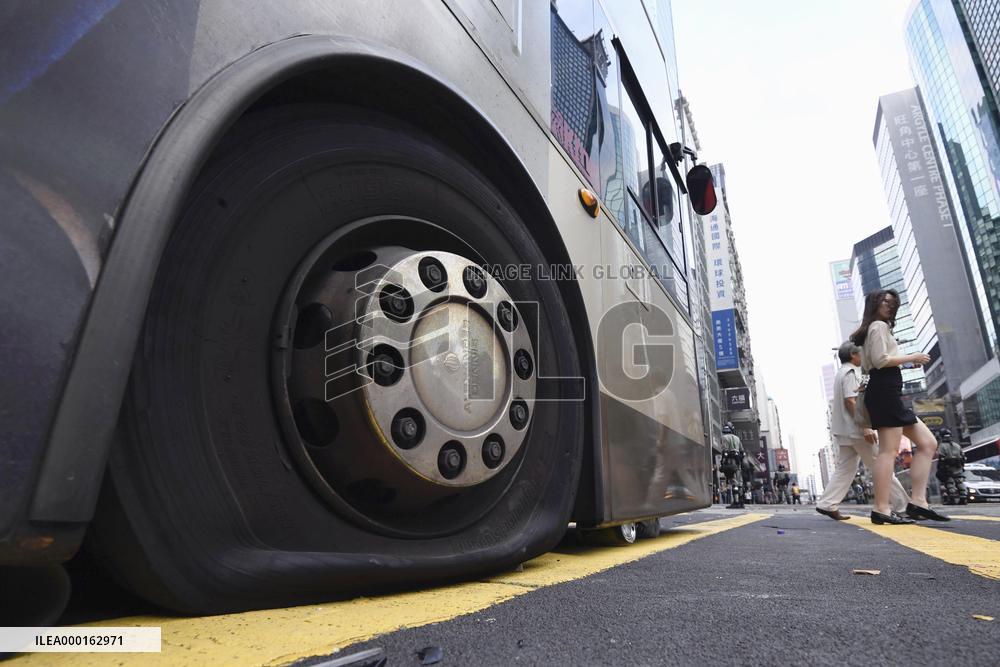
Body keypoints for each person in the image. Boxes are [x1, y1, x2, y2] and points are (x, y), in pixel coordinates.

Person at [850, 290, 949, 524]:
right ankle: (882, 508)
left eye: (893, 302)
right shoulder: (878, 326)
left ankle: (918, 502)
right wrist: (910, 356)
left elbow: (879, 362)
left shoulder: (878, 327)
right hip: (884, 392)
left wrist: (905, 362)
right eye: (885, 301)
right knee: (888, 451)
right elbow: (881, 360)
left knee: (928, 443)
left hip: (888, 391)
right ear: (874, 303)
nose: (889, 305)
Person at [816, 341, 910, 521]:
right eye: (861, 353)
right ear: (853, 355)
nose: (864, 356)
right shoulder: (851, 372)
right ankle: (903, 506)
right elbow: (851, 400)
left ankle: (827, 503)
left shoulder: (840, 372)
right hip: (856, 429)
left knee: (846, 467)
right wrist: (865, 426)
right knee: (881, 465)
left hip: (844, 430)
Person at [934, 429, 967, 505]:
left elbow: (941, 458)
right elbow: (963, 456)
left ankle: (952, 499)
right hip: (958, 467)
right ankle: (963, 497)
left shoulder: (942, 446)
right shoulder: (957, 445)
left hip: (947, 467)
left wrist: (941, 468)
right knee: (959, 482)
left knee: (949, 482)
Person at [720, 422, 745, 509]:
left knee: (734, 482)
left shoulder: (724, 437)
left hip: (730, 461)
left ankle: (736, 501)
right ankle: (741, 502)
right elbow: (742, 452)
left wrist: (723, 462)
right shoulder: (737, 438)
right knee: (740, 482)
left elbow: (725, 451)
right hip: (738, 461)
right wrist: (739, 460)